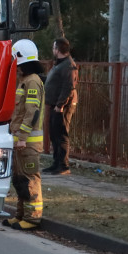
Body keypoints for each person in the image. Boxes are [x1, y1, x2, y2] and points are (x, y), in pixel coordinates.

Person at [3, 39, 46, 231]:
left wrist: (22, 138)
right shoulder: (25, 81)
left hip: (27, 143)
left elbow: (32, 112)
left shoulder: (32, 82)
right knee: (20, 179)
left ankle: (33, 217)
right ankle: (20, 215)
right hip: (21, 142)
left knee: (30, 179)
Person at [43, 37, 78, 175]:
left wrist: (60, 105)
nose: (53, 50)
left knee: (61, 134)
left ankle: (63, 165)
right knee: (54, 133)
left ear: (58, 50)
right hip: (54, 104)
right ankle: (56, 163)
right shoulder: (59, 64)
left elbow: (68, 86)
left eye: (54, 48)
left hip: (62, 106)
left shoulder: (68, 66)